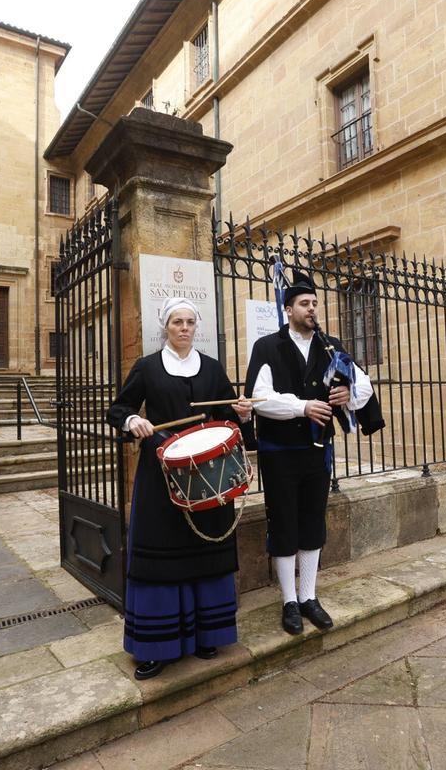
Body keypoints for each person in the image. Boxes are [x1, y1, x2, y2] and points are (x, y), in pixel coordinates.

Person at [106, 297, 252, 680]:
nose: (184, 328)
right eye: (177, 322)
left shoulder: (214, 368)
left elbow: (224, 418)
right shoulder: (147, 367)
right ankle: (158, 645)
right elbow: (117, 411)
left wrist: (240, 414)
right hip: (162, 474)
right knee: (162, 557)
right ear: (165, 327)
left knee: (207, 553)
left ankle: (209, 633)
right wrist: (134, 420)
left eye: (189, 322)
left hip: (209, 474)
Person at [244, 273, 376, 636]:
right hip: (279, 452)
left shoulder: (329, 346)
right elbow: (259, 397)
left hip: (317, 452)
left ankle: (308, 596)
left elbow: (362, 382)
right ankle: (288, 600)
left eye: (315, 303)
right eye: (304, 303)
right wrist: (302, 408)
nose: (312, 309)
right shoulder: (267, 346)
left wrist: (348, 393)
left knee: (312, 521)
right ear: (287, 309)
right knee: (284, 522)